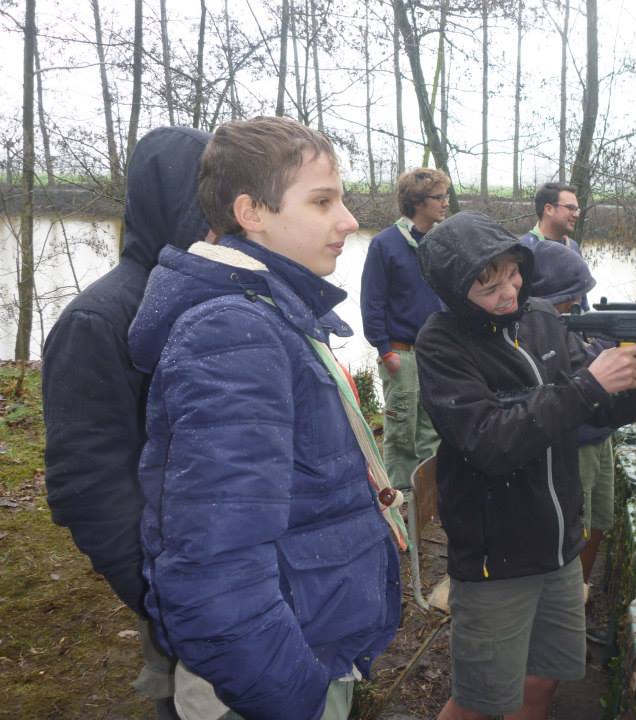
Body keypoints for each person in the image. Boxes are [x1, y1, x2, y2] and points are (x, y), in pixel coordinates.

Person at [127, 116, 402, 720]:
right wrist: (293, 695)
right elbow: (212, 567)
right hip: (271, 684)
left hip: (308, 646)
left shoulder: (274, 314)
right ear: (251, 213)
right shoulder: (234, 332)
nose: (349, 220)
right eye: (323, 200)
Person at [415, 211, 636, 720]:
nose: (509, 292)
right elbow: (490, 442)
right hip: (495, 561)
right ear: (455, 291)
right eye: (489, 287)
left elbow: (600, 406)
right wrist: (588, 384)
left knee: (545, 677)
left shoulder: (540, 317)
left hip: (559, 548)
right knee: (479, 702)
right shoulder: (442, 344)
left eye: (513, 273)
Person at [42, 125, 212, 719]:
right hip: (180, 588)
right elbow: (85, 484)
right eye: (206, 194)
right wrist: (162, 593)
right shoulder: (98, 319)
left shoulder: (214, 299)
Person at [525, 240, 614, 604]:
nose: (579, 303)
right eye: (571, 297)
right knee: (574, 528)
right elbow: (566, 384)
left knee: (599, 521)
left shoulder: (567, 323)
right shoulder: (537, 332)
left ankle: (580, 594)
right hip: (576, 444)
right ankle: (564, 602)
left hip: (598, 436)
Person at [360, 168, 448, 490]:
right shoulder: (385, 245)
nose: (445, 203)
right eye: (439, 197)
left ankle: (428, 503)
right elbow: (372, 303)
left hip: (436, 355)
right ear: (417, 202)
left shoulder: (439, 243)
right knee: (400, 432)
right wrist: (384, 350)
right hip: (401, 353)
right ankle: (398, 507)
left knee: (432, 429)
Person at [521, 182, 583, 254]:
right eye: (570, 208)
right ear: (549, 209)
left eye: (576, 210)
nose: (576, 215)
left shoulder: (573, 247)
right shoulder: (523, 248)